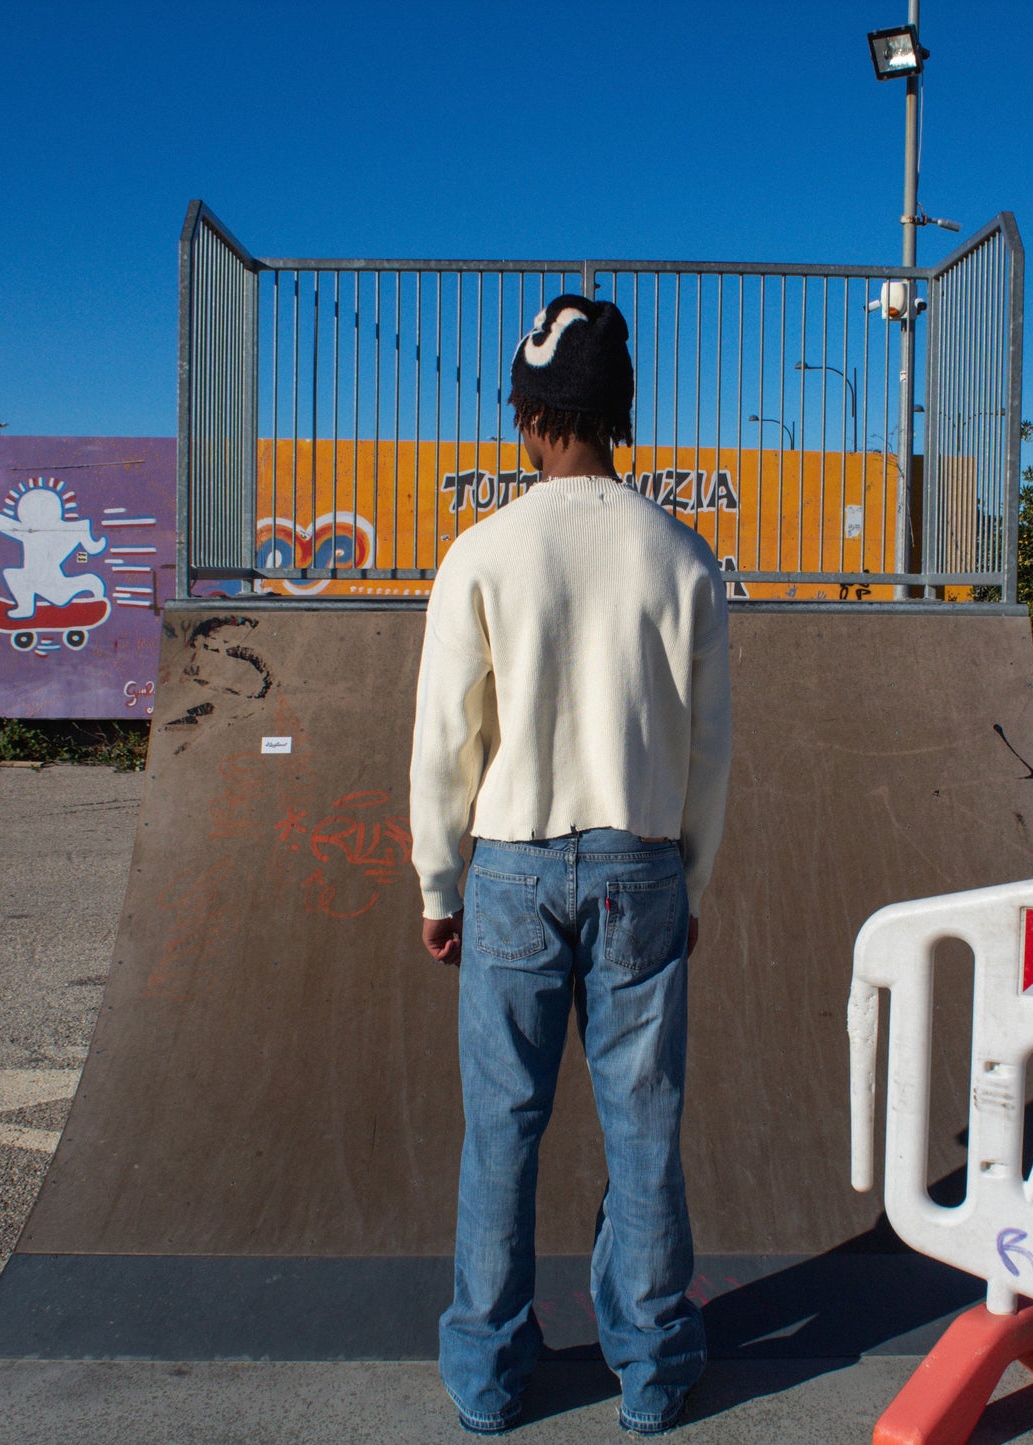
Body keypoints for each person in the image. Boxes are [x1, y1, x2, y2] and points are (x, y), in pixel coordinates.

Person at [409, 293, 732, 1436]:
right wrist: (688, 881)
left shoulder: (483, 551)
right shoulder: (680, 554)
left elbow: (445, 735)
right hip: (641, 865)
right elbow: (707, 745)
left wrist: (438, 883)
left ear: (528, 411)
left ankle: (490, 1376)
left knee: (502, 1123)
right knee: (641, 1123)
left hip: (508, 867)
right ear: (617, 411)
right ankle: (650, 1372)